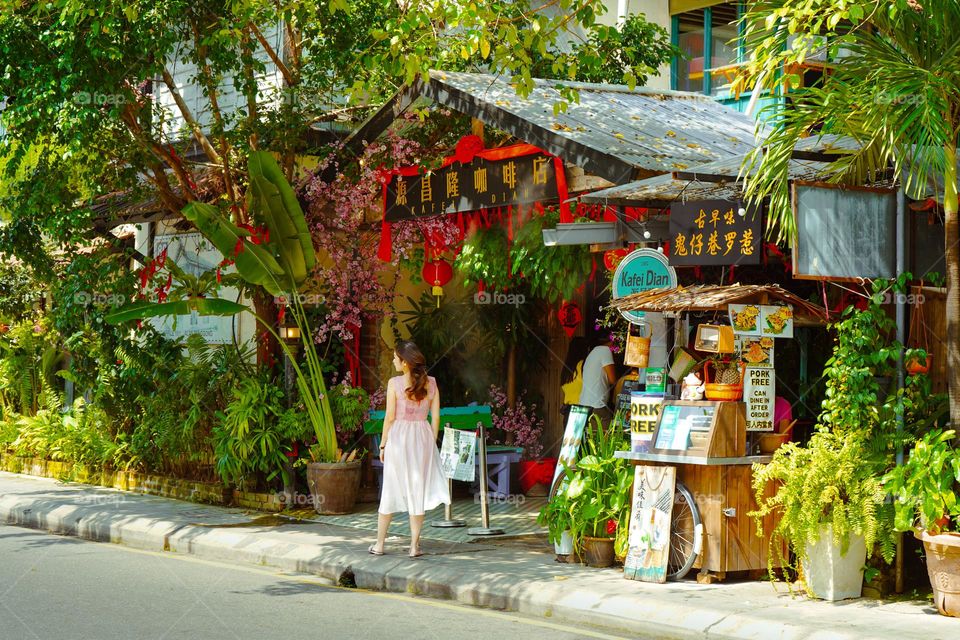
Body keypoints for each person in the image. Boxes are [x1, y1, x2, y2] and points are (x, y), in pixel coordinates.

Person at [369, 341, 450, 558]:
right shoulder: (431, 383)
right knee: (417, 490)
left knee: (391, 488)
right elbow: (436, 417)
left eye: (396, 358)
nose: (394, 360)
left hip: (399, 437)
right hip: (422, 436)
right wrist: (431, 441)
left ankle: (379, 544)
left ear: (405, 363)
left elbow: (390, 417)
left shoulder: (394, 383)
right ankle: (414, 546)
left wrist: (383, 444)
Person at [578, 332, 617, 424]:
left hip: (585, 404)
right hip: (597, 406)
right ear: (611, 341)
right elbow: (613, 380)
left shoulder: (594, 352)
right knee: (606, 435)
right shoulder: (605, 350)